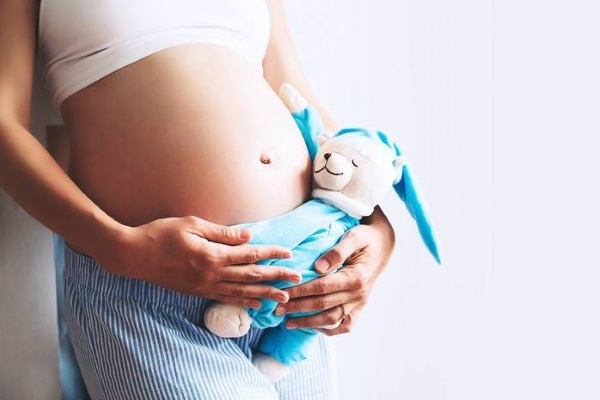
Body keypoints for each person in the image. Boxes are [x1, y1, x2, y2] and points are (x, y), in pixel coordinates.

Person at [0, 0, 396, 398]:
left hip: (295, 287)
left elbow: (293, 92)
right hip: (149, 296)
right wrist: (116, 246)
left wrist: (373, 227)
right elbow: (3, 126)